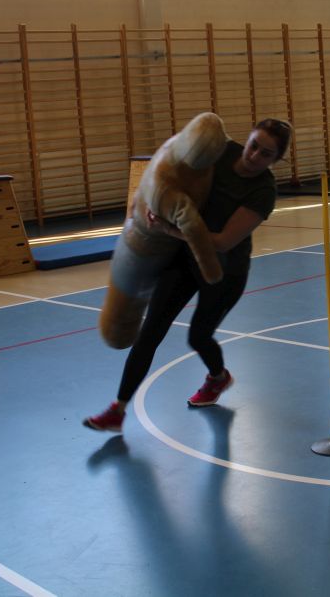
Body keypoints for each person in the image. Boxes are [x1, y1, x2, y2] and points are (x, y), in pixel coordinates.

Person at [83, 118, 293, 432]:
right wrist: (154, 202)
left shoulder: (263, 192)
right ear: (247, 138)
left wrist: (169, 228)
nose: (254, 156)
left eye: (266, 154)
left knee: (198, 336)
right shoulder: (221, 151)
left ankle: (218, 378)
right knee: (150, 333)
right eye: (254, 146)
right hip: (185, 259)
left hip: (224, 271)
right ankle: (118, 410)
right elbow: (176, 165)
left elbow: (222, 241)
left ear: (276, 160)